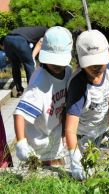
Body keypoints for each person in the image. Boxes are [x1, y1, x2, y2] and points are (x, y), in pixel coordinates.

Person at [13, 26, 73, 166]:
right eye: (53, 60)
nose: (57, 65)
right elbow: (19, 114)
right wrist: (21, 143)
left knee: (60, 169)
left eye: (60, 61)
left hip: (54, 131)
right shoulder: (39, 83)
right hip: (38, 138)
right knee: (43, 173)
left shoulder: (68, 71)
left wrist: (65, 130)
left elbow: (65, 105)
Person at [65, 30, 109, 180]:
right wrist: (75, 160)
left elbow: (108, 91)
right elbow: (70, 130)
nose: (96, 68)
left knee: (106, 169)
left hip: (103, 128)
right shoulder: (78, 85)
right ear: (80, 61)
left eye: (99, 63)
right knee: (86, 173)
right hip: (83, 135)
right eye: (90, 65)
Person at [3, 26, 47, 97]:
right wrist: (32, 57)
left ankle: (19, 90)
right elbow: (41, 42)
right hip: (20, 40)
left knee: (15, 65)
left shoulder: (33, 30)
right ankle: (32, 91)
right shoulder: (47, 31)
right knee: (29, 65)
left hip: (7, 39)